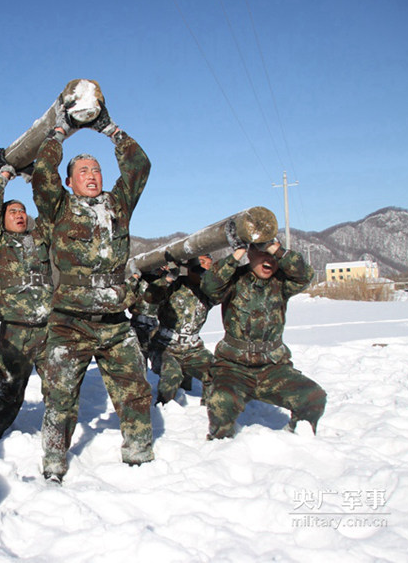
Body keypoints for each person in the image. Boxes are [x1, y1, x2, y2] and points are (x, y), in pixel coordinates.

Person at [31, 95, 154, 482]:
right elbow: (42, 173)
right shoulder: (58, 209)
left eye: (97, 168)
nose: (92, 174)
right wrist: (60, 132)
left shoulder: (118, 204)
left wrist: (109, 129)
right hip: (70, 322)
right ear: (70, 181)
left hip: (115, 321)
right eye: (83, 169)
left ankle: (139, 452)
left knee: (135, 389)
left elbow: (139, 165)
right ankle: (53, 461)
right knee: (60, 398)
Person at [200, 239, 327, 439]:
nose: (269, 260)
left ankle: (297, 441)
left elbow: (305, 275)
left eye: (272, 256)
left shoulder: (282, 283)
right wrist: (237, 253)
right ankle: (221, 446)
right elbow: (209, 286)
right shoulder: (234, 279)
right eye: (262, 253)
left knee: (313, 397)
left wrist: (275, 249)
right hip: (234, 368)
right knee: (221, 402)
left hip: (273, 368)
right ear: (250, 255)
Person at [0, 152, 53, 440]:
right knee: (9, 388)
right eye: (12, 212)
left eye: (22, 210)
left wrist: (33, 178)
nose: (20, 214)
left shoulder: (41, 237)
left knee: (59, 384)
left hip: (49, 323)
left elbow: (52, 208)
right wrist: (3, 177)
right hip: (16, 328)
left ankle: (56, 434)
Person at [145, 254, 215, 406]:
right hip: (165, 347)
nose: (201, 267)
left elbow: (223, 290)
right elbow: (150, 296)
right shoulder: (175, 285)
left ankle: (208, 412)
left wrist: (205, 275)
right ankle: (164, 409)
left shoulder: (209, 291)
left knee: (217, 373)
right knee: (172, 375)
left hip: (193, 349)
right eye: (198, 262)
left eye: (206, 264)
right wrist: (169, 277)